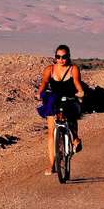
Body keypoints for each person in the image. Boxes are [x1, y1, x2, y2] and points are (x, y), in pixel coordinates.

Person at [36, 44, 84, 175]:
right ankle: (52, 165)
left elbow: (77, 82)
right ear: (55, 57)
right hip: (54, 99)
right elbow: (44, 82)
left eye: (64, 57)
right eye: (58, 57)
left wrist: (80, 92)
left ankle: (75, 139)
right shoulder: (49, 69)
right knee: (51, 132)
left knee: (71, 115)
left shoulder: (73, 69)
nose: (61, 59)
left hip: (69, 98)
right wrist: (40, 93)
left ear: (68, 57)